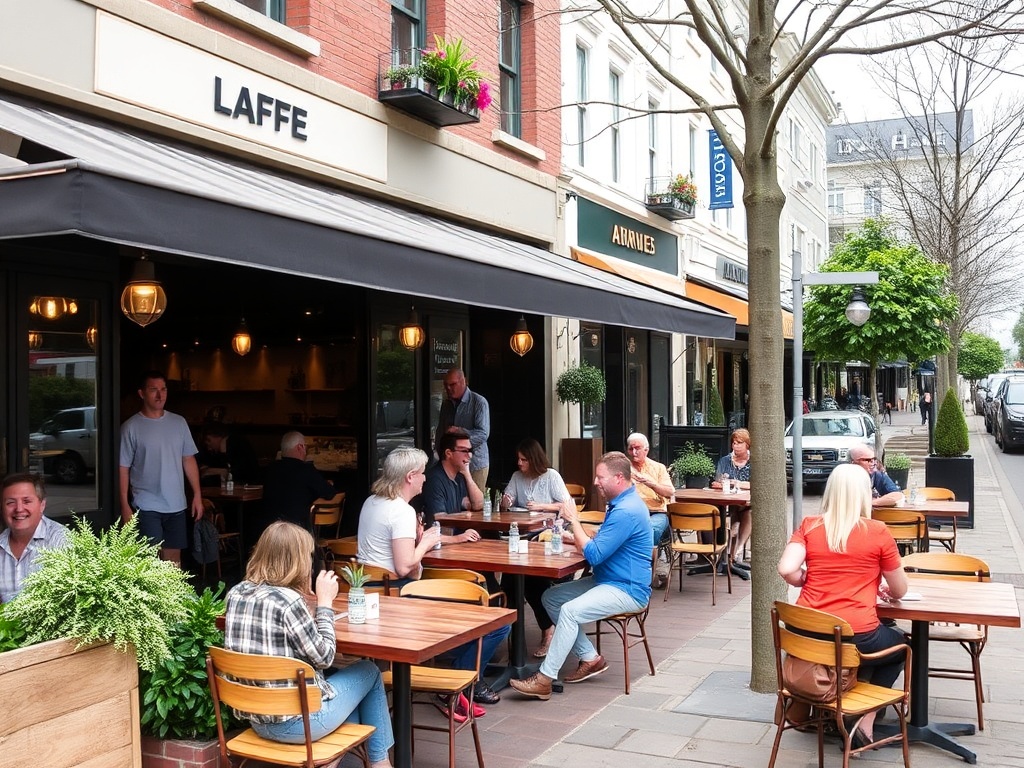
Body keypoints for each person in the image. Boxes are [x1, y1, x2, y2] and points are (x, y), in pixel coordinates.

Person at [224, 521, 394, 768]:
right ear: (296, 561)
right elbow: (324, 656)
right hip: (297, 724)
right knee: (368, 672)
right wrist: (324, 603)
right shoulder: (290, 602)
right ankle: (380, 764)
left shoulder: (236, 594)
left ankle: (333, 762)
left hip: (257, 720)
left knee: (348, 686)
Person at [358, 445, 501, 713]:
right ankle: (452, 686)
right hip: (399, 597)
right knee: (493, 622)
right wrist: (426, 543)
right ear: (410, 476)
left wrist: (419, 538)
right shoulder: (401, 510)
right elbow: (404, 567)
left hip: (371, 594)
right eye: (423, 473)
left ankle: (445, 677)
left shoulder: (371, 502)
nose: (426, 477)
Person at [777, 463, 909, 746]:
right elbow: (900, 589)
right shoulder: (877, 531)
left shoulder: (810, 526)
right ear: (864, 494)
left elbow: (786, 568)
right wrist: (885, 589)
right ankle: (867, 718)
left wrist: (804, 580)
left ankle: (828, 710)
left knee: (850, 647)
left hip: (806, 630)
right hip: (856, 632)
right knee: (902, 647)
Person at [510, 452, 653, 700]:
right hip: (608, 581)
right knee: (552, 597)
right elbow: (603, 540)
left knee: (569, 611)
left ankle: (544, 679)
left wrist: (574, 521)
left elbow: (595, 555)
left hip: (627, 589)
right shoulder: (623, 503)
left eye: (600, 477)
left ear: (619, 478)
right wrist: (578, 535)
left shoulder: (626, 510)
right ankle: (590, 658)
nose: (595, 482)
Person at [499, 438, 574, 658]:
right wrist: (506, 500)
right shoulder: (516, 477)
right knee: (510, 581)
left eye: (524, 460)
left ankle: (545, 630)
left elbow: (567, 505)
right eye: (518, 459)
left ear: (534, 459)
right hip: (521, 534)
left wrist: (542, 506)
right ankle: (513, 638)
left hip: (546, 535)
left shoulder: (551, 476)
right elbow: (507, 501)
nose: (520, 464)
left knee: (529, 579)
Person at [119, 370, 204, 564]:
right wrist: (124, 504)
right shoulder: (131, 427)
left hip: (176, 504)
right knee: (150, 560)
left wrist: (197, 495)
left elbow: (188, 458)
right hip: (146, 504)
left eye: (163, 389)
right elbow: (123, 468)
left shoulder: (179, 422)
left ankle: (174, 595)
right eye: (153, 390)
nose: (160, 395)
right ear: (142, 393)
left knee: (174, 560)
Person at [1, 473, 69, 603]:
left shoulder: (60, 540)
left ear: (42, 505)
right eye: (10, 503)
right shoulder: (1, 544)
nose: (19, 509)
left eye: (26, 501)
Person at [624, 433, 674, 588]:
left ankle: (645, 579)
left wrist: (651, 484)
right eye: (631, 449)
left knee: (649, 530)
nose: (634, 452)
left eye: (637, 448)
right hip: (631, 513)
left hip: (656, 512)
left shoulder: (658, 468)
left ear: (646, 449)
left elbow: (670, 492)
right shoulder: (624, 469)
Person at [262, 431, 336, 530]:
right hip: (298, 529)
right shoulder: (306, 470)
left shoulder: (270, 469)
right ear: (300, 447)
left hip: (270, 529)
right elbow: (329, 493)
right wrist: (328, 484)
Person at [435, 368, 490, 491]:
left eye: (452, 384)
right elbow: (441, 431)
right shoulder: (446, 404)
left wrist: (461, 432)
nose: (448, 388)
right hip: (451, 463)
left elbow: (483, 434)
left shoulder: (479, 402)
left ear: (463, 381)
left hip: (475, 463)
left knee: (475, 502)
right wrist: (438, 453)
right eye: (446, 385)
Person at [421, 430, 485, 526]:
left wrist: (467, 475)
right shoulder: (434, 479)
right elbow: (439, 518)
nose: (469, 455)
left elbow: (477, 505)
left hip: (458, 534)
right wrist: (463, 516)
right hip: (442, 537)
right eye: (464, 451)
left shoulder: (460, 476)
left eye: (470, 451)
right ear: (448, 453)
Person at [712, 428, 753, 567]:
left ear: (747, 444)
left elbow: (757, 484)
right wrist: (723, 483)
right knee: (730, 512)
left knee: (747, 511)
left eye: (739, 443)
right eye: (734, 443)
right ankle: (729, 554)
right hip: (727, 500)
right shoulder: (725, 461)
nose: (736, 446)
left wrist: (738, 483)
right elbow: (717, 482)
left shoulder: (754, 461)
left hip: (744, 502)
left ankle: (737, 550)